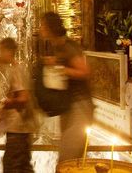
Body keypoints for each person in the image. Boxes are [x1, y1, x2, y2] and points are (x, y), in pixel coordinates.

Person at [39, 12, 93, 163]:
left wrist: (59, 69)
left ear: (51, 28)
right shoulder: (56, 46)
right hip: (68, 104)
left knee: (68, 156)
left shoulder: (68, 46)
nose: (40, 29)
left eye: (43, 25)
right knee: (71, 157)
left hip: (79, 104)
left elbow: (84, 71)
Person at [0, 38, 37, 173]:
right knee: (23, 165)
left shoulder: (17, 70)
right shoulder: (15, 70)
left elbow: (23, 98)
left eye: (1, 51)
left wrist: (7, 103)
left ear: (9, 52)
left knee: (13, 165)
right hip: (18, 128)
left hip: (19, 128)